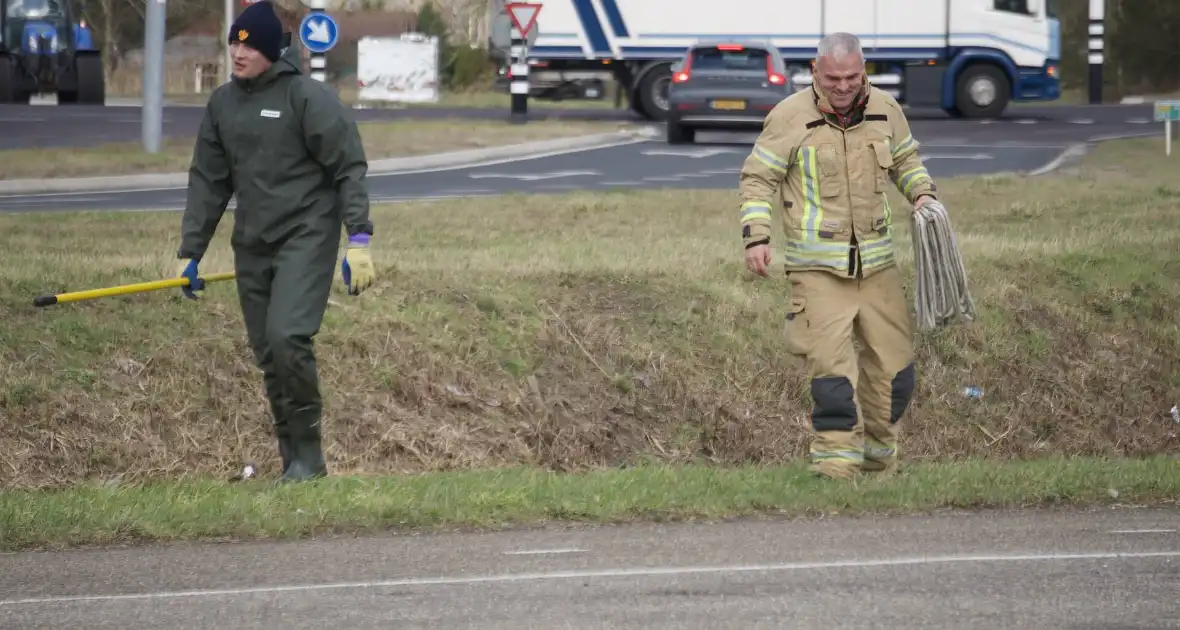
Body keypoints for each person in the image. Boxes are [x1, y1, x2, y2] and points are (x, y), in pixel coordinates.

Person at [173, 0, 376, 483]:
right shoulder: (222, 104)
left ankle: (309, 459)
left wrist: (359, 238)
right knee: (269, 353)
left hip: (305, 235)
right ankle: (293, 463)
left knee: (289, 338)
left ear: (270, 50)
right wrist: (191, 252)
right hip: (253, 242)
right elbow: (208, 181)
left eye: (247, 46)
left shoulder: (305, 97)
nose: (237, 54)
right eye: (233, 44)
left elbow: (349, 166)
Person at [736, 32, 938, 480]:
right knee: (833, 378)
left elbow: (907, 163)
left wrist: (923, 195)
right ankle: (834, 472)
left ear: (863, 70)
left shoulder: (887, 110)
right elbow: (757, 181)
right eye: (833, 78)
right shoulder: (787, 116)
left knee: (896, 373)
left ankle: (878, 463)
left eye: (852, 76)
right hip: (817, 271)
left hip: (878, 266)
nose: (843, 86)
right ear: (814, 71)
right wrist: (757, 237)